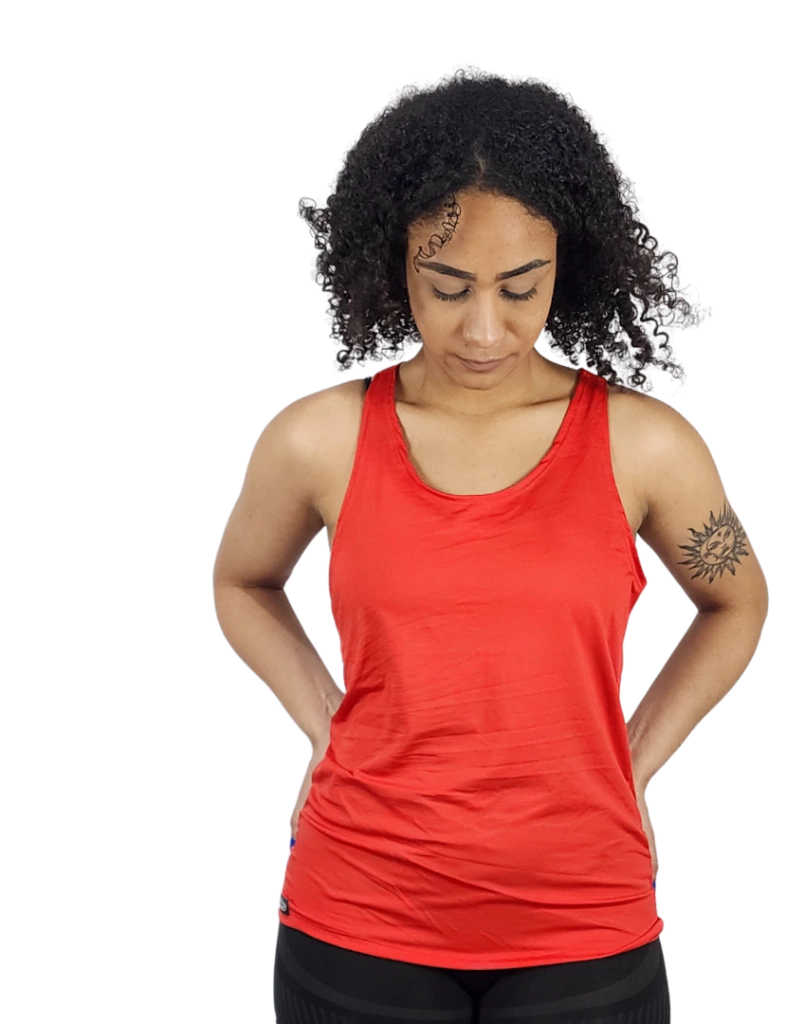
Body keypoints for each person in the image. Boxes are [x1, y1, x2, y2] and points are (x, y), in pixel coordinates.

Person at [213, 68, 769, 1024]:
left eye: (521, 289)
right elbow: (243, 581)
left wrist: (631, 762)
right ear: (395, 264)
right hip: (360, 908)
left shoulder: (644, 445)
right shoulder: (317, 440)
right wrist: (326, 722)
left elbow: (738, 599)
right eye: (448, 286)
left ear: (567, 266)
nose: (484, 329)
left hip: (584, 909)